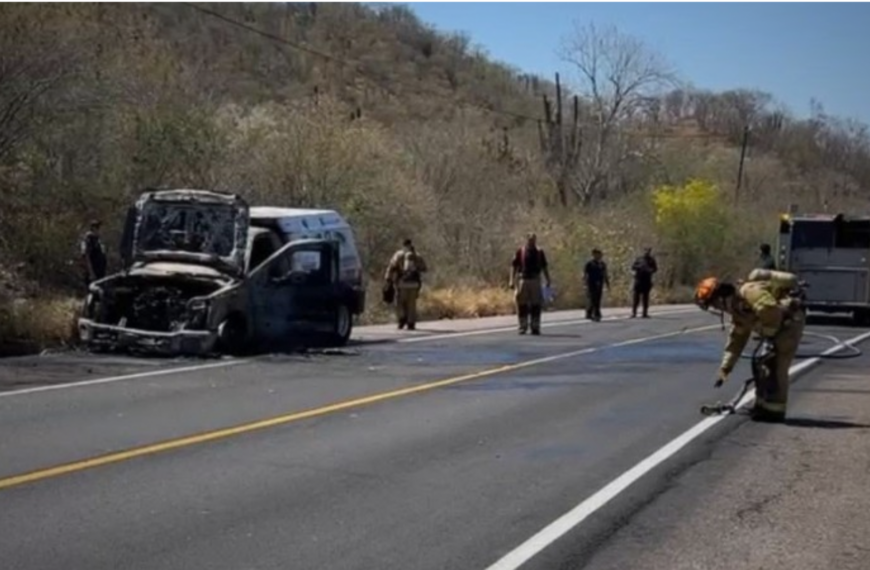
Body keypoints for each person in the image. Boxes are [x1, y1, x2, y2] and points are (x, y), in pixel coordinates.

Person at [693, 268, 807, 423]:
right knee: (761, 365)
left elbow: (770, 310)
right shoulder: (737, 309)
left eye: (714, 304)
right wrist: (725, 369)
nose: (716, 308)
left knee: (777, 366)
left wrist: (769, 333)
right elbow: (736, 340)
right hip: (776, 329)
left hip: (790, 325)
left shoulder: (749, 292)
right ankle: (762, 406)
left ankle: (776, 411)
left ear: (720, 298)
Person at [510, 232, 551, 335]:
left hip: (535, 280)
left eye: (533, 239)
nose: (532, 241)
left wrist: (548, 279)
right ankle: (522, 326)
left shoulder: (539, 252)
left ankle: (535, 326)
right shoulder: (520, 251)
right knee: (521, 303)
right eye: (530, 239)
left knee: (536, 304)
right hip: (523, 280)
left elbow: (544, 267)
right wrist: (511, 280)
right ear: (527, 240)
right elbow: (514, 266)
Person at [384, 239, 427, 330]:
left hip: (402, 284)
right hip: (414, 284)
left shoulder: (398, 255)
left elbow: (391, 266)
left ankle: (402, 318)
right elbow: (424, 268)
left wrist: (388, 279)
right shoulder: (417, 256)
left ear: (403, 245)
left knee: (400, 302)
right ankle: (411, 323)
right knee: (412, 304)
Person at [583, 248, 610, 322]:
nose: (599, 256)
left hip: (600, 283)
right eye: (597, 254)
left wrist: (607, 283)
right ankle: (596, 314)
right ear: (594, 255)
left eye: (600, 254)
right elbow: (585, 274)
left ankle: (589, 313)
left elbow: (605, 274)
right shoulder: (590, 264)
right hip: (591, 283)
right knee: (593, 299)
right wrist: (585, 284)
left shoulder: (602, 264)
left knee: (597, 298)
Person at [630, 247, 658, 318]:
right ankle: (634, 313)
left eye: (648, 251)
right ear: (643, 251)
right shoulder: (639, 259)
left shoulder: (651, 260)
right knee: (636, 298)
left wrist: (649, 270)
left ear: (650, 252)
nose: (646, 252)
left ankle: (644, 313)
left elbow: (655, 269)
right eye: (645, 250)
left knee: (645, 298)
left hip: (646, 281)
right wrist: (639, 267)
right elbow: (633, 267)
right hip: (638, 280)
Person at [80, 220, 107, 288]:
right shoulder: (90, 239)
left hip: (99, 273)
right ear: (94, 228)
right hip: (93, 273)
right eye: (98, 228)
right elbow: (86, 256)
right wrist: (91, 272)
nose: (100, 230)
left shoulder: (97, 240)